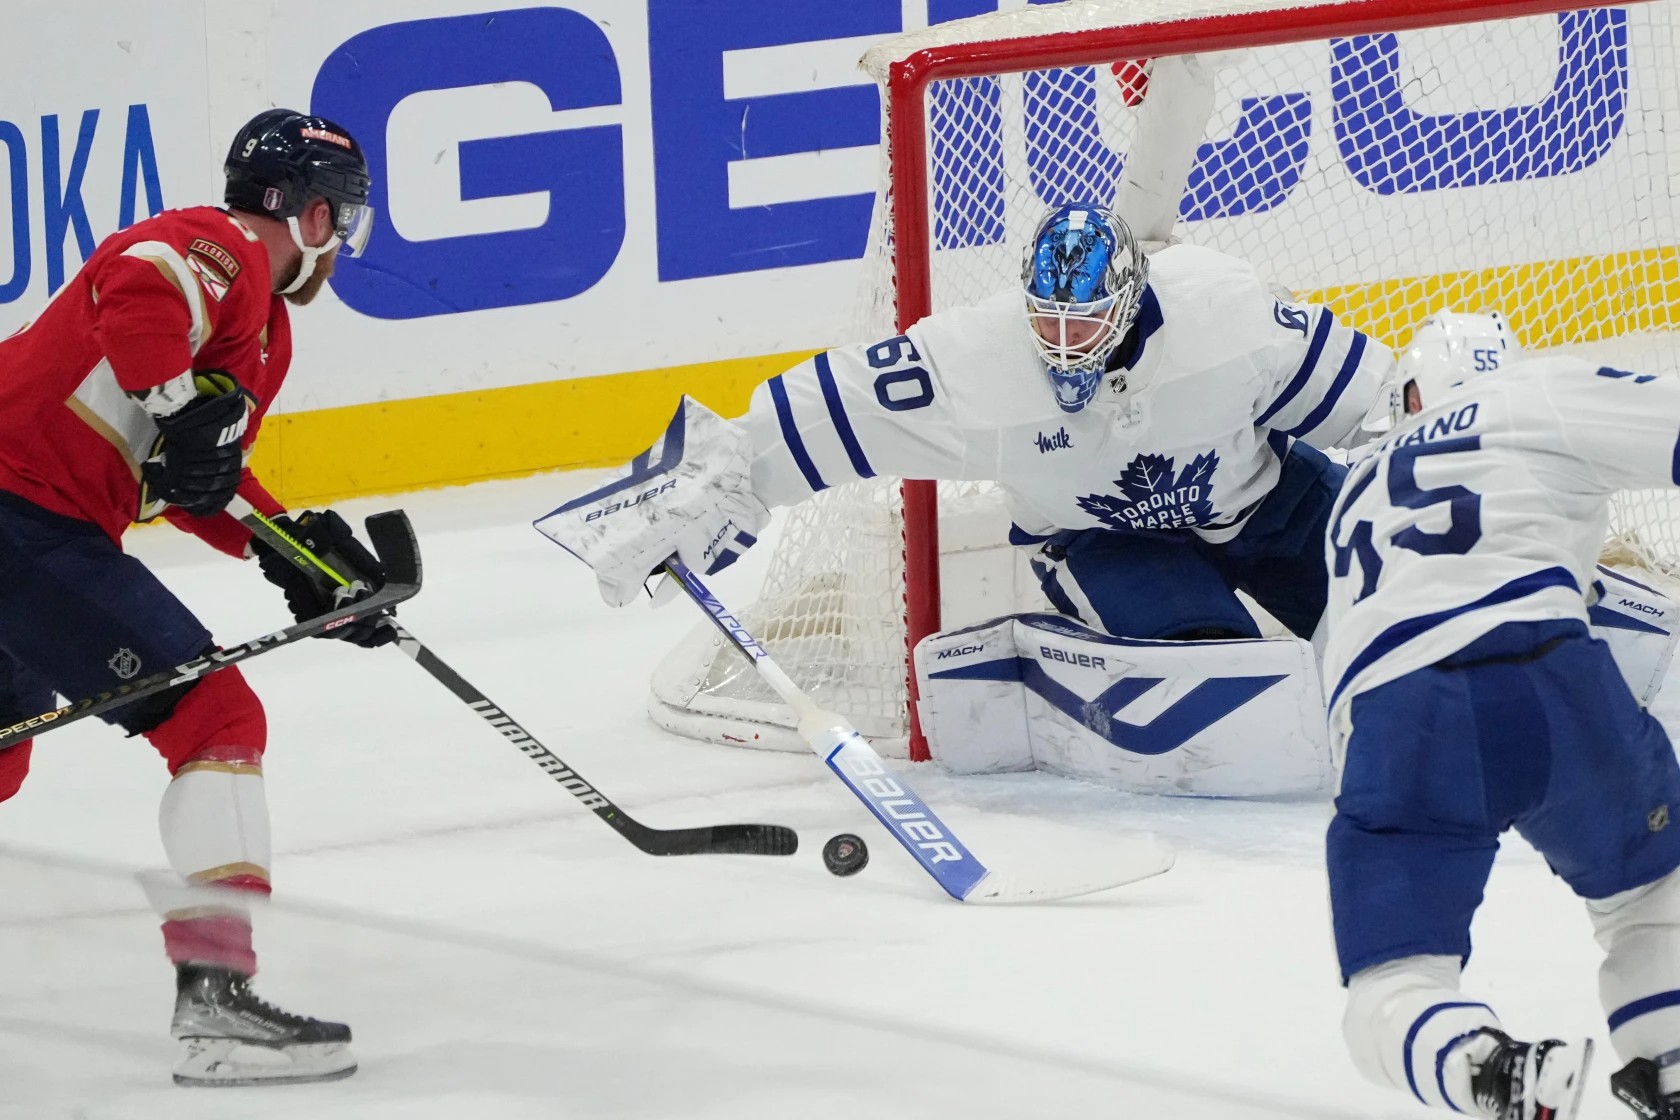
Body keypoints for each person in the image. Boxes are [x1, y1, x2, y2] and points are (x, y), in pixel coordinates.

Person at [0, 108, 395, 1087]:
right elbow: (134, 279)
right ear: (306, 217)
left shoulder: (266, 330)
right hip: (21, 516)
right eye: (338, 221)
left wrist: (298, 555)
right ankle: (216, 1006)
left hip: (36, 516)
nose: (342, 246)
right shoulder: (221, 249)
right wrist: (182, 406)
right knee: (216, 715)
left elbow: (191, 478)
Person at [553, 201, 1392, 643]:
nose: (1065, 344)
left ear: (1133, 298)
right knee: (1206, 666)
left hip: (1267, 505)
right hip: (1106, 538)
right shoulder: (974, 360)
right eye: (1049, 322)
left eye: (1086, 321)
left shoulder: (1226, 314)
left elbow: (1378, 407)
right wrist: (710, 480)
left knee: (1407, 615)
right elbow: (826, 405)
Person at [1322, 311, 1680, 1118]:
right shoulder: (1531, 391)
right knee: (1652, 895)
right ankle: (1672, 1058)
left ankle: (1491, 1072)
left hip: (1398, 723)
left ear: (1410, 395)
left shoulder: (1352, 494)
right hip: (1551, 674)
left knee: (1393, 985)